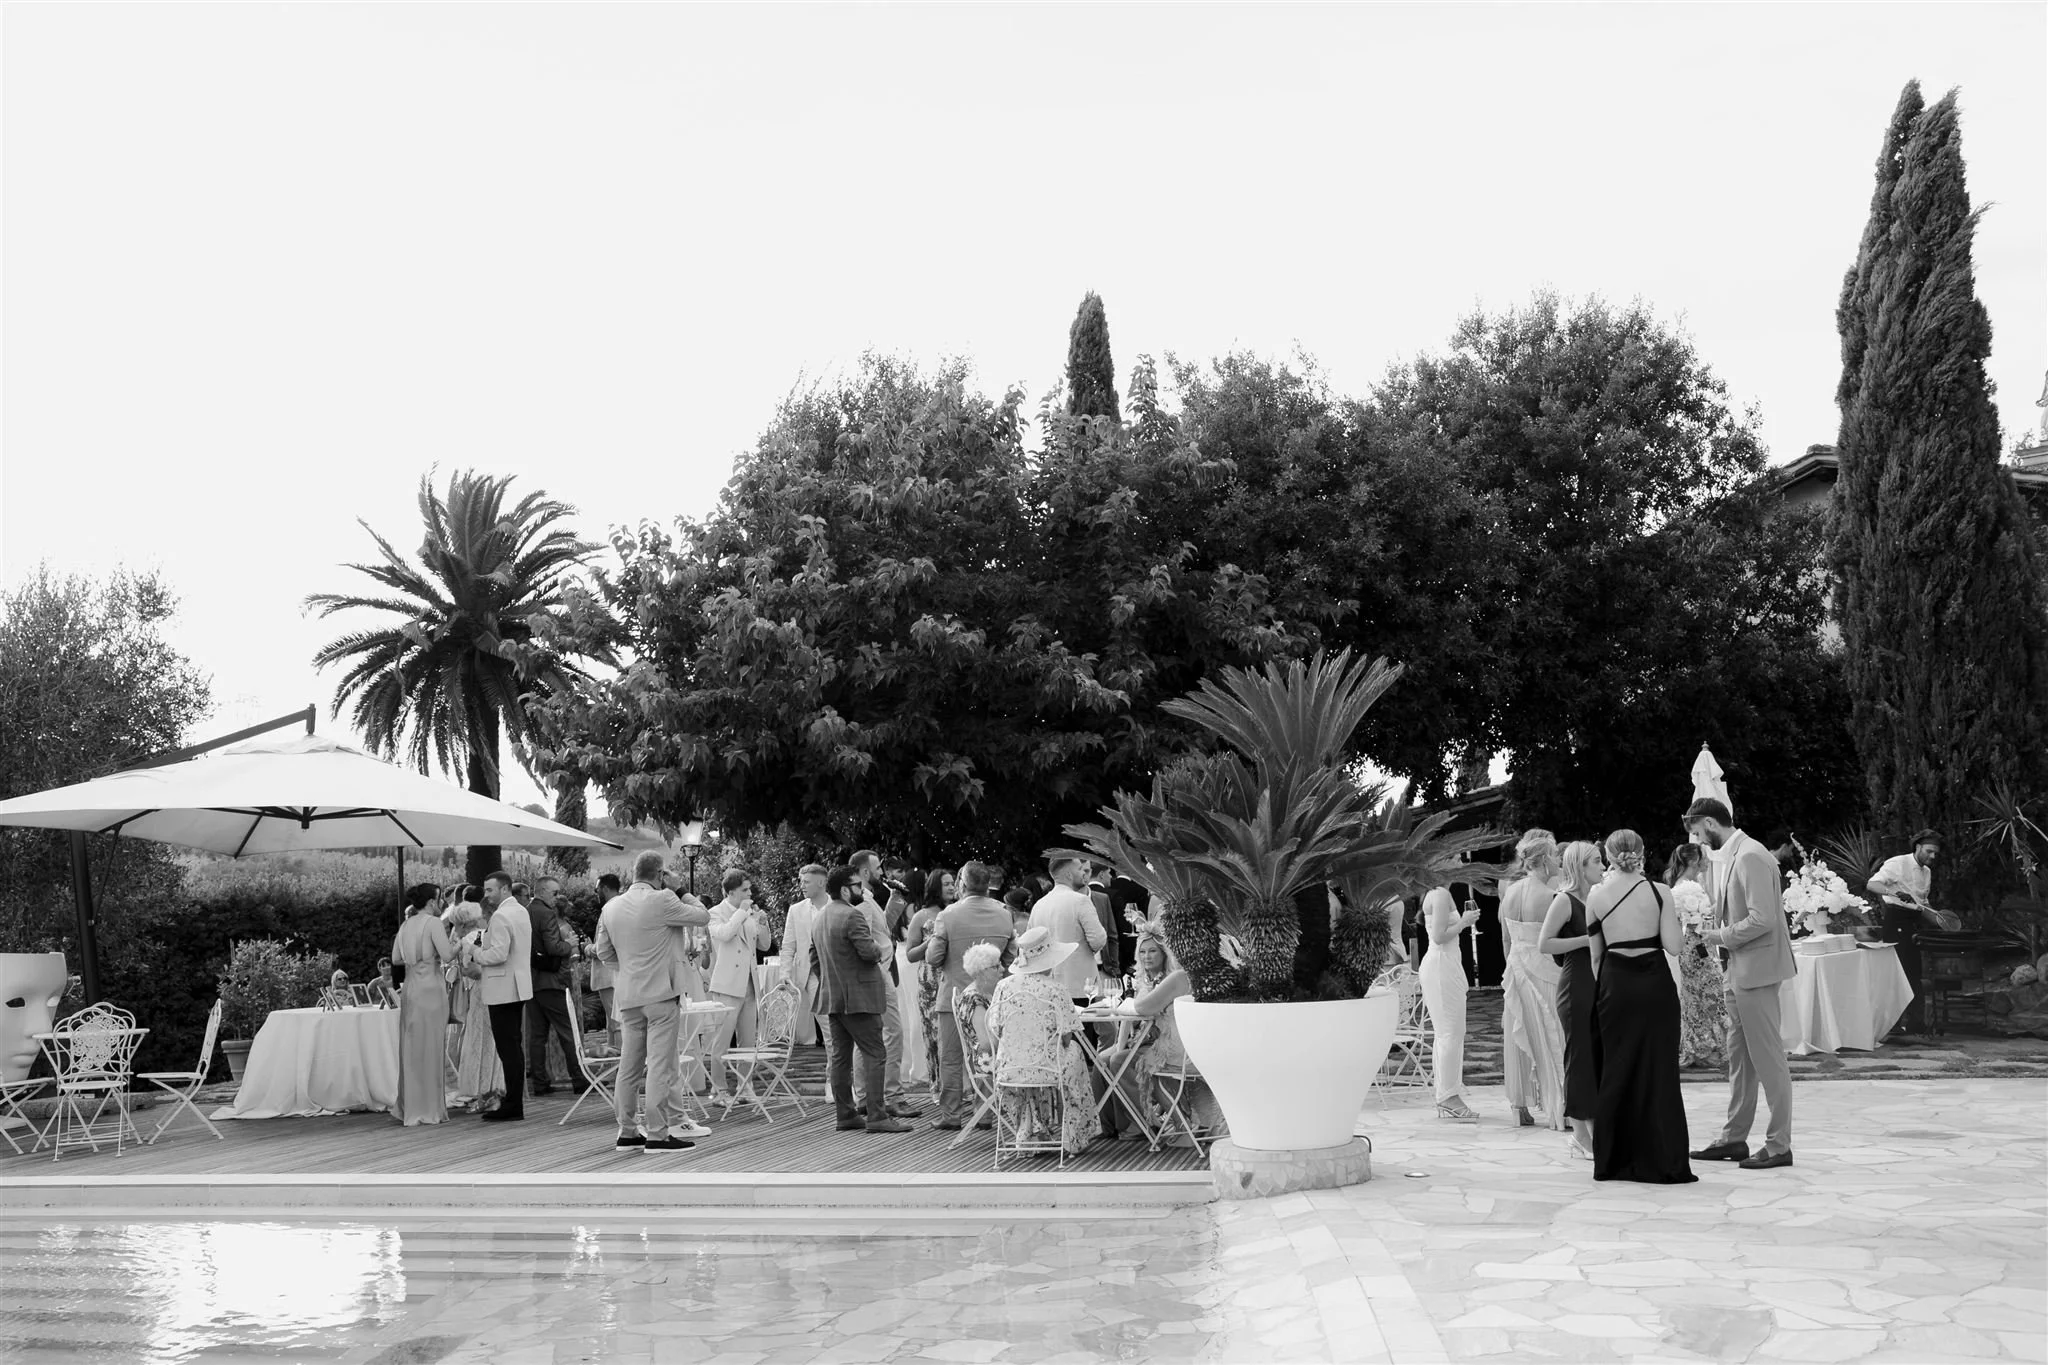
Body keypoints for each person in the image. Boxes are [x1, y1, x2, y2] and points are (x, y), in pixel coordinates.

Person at [1684, 797, 1797, 1171]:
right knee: (1741, 1061)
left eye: (1698, 832)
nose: (1697, 840)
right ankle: (1734, 1138)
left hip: (1758, 971)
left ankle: (1779, 1145)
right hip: (1739, 971)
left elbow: (1763, 919)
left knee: (1768, 1060)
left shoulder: (1751, 855)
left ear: (1711, 823)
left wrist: (1717, 936)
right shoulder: (1735, 854)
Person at [1585, 830, 1697, 1184]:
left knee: (1616, 1068)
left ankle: (1613, 1162)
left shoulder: (1596, 897)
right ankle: (1663, 1160)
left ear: (1609, 854)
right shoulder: (1659, 892)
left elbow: (1595, 956)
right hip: (1654, 984)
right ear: (1643, 853)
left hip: (1615, 985)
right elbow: (1674, 947)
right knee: (1659, 1071)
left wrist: (1607, 989)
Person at [594, 851, 710, 1154]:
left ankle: (627, 1131)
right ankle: (658, 1134)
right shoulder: (664, 899)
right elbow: (702, 915)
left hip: (629, 996)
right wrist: (680, 888)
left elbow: (604, 953)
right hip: (661, 994)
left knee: (629, 1066)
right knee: (659, 1064)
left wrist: (631, 966)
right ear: (660, 875)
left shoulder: (611, 907)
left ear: (634, 873)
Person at [1093, 910, 1223, 1144]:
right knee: (1103, 1058)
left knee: (1119, 1061)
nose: (1146, 956)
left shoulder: (1174, 978)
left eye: (1152, 950)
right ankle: (1114, 1125)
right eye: (1142, 951)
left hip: (1175, 1047)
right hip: (1159, 1040)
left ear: (1166, 952)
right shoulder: (1146, 978)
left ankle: (1147, 1123)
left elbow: (1142, 1009)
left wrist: (1120, 1010)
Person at [809, 865, 912, 1134]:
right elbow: (868, 952)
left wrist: (834, 978)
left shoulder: (820, 917)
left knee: (840, 1059)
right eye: (857, 886)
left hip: (833, 997)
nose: (862, 890)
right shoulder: (852, 915)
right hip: (859, 997)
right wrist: (881, 948)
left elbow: (813, 958)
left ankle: (845, 1114)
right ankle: (877, 1116)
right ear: (845, 889)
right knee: (876, 1053)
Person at [987, 927, 1098, 1157]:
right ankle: (1075, 1133)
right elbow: (1067, 1037)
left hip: (1010, 1070)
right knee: (1074, 1050)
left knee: (1038, 1058)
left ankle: (1033, 1130)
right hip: (1048, 1070)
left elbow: (995, 1029)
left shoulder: (1002, 987)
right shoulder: (1056, 989)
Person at [924, 861, 1018, 1130]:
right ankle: (985, 1112)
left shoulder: (949, 915)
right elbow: (1011, 958)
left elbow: (933, 957)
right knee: (987, 1050)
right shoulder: (1004, 914)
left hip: (954, 996)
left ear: (962, 884)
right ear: (987, 886)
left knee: (952, 1057)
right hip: (993, 997)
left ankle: (951, 1115)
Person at [1539, 841, 1606, 1159]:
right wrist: (1587, 940)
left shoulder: (1597, 897)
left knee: (1597, 1058)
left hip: (1600, 986)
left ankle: (1594, 1129)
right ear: (1581, 866)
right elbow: (1545, 943)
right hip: (1576, 986)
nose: (1603, 867)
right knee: (1579, 1060)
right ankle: (1579, 1136)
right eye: (1597, 862)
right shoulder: (1564, 900)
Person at [1497, 830, 1567, 1130]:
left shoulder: (1510, 893)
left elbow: (1505, 938)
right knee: (1553, 1034)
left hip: (1515, 969)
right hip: (1545, 970)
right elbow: (1555, 940)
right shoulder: (1552, 896)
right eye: (1554, 855)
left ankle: (1519, 1106)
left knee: (1520, 1031)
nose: (1558, 861)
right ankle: (1558, 1107)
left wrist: (1512, 965)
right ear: (1545, 859)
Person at [847, 851, 917, 1118]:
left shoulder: (866, 898)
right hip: (877, 972)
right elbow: (862, 939)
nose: (883, 875)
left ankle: (864, 1096)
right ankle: (893, 1096)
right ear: (865, 872)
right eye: (878, 869)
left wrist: (894, 904)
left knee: (865, 1036)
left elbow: (881, 931)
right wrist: (877, 962)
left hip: (877, 970)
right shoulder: (863, 902)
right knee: (893, 1033)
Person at [467, 872, 534, 1122]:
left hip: (503, 987)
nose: (486, 895)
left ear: (505, 889)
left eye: (490, 890)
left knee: (508, 1048)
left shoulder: (501, 916)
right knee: (513, 1046)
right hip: (517, 986)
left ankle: (513, 1105)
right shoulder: (521, 911)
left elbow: (498, 954)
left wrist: (475, 952)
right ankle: (513, 1100)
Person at [705, 868, 773, 1104]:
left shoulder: (749, 913)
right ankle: (719, 1090)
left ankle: (746, 1087)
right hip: (726, 984)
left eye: (749, 889)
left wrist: (763, 923)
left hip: (750, 984)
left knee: (748, 1041)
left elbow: (764, 946)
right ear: (730, 892)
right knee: (721, 1041)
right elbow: (723, 935)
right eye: (744, 890)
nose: (749, 893)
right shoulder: (715, 913)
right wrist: (741, 914)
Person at [391, 884, 456, 1126]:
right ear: (431, 901)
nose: (440, 905)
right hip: (431, 988)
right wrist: (462, 944)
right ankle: (430, 1108)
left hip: (411, 988)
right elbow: (448, 955)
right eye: (439, 900)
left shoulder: (406, 924)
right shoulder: (434, 923)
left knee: (411, 1047)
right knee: (432, 1046)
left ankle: (410, 1106)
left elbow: (396, 958)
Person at [1867, 829, 1942, 1035]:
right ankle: (1893, 1026)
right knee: (1900, 974)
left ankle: (1916, 1024)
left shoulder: (1926, 872)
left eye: (1935, 853)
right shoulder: (1897, 863)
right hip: (1896, 921)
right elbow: (1872, 884)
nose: (1932, 856)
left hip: (1914, 923)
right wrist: (1894, 892)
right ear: (1917, 847)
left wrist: (1940, 921)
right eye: (1929, 851)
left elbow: (1923, 905)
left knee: (1915, 974)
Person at [1417, 884, 1482, 1122]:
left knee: (1450, 1033)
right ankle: (1448, 1097)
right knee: (1450, 1033)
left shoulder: (1436, 893)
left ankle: (1446, 1092)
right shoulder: (1440, 894)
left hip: (1445, 963)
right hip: (1441, 964)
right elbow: (1439, 936)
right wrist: (1465, 921)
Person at [1664, 843, 1729, 1069]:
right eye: (1704, 857)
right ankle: (1705, 1046)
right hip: (1697, 948)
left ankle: (1701, 1045)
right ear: (1693, 861)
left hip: (1694, 947)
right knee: (1707, 994)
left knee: (1696, 996)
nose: (1708, 861)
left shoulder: (1682, 886)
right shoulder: (1689, 889)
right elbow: (1704, 919)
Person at [524, 875, 588, 1099]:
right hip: (551, 981)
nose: (557, 897)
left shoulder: (525, 911)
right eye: (554, 892)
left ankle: (540, 1082)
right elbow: (553, 947)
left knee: (537, 1036)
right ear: (542, 891)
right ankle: (579, 1079)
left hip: (530, 982)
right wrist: (568, 945)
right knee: (567, 1032)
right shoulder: (546, 913)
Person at [1029, 852, 1111, 1007]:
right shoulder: (1080, 901)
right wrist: (1083, 952)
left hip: (1048, 987)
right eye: (1079, 869)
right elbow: (1099, 939)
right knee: (1085, 1031)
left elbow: (1031, 945)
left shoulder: (1038, 905)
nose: (1083, 873)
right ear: (1068, 874)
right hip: (1081, 985)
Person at [446, 899, 503, 1113]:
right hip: (495, 990)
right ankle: (494, 1090)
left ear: (461, 924)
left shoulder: (467, 940)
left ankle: (482, 1093)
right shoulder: (485, 933)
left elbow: (473, 970)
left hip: (479, 992)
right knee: (492, 1042)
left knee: (478, 1041)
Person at [904, 868, 954, 1098]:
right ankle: (938, 1086)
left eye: (953, 883)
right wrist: (929, 943)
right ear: (935, 887)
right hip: (929, 982)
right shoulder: (921, 916)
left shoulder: (955, 912)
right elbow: (911, 954)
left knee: (953, 1035)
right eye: (946, 884)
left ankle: (957, 1086)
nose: (952, 887)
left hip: (952, 977)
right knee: (934, 1036)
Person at [781, 864, 831, 1047]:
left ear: (821, 882)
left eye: (807, 882)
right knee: (826, 1025)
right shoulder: (796, 910)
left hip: (837, 974)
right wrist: (784, 974)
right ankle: (836, 1069)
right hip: (811, 975)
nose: (802, 885)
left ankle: (840, 1068)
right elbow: (788, 945)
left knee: (838, 1025)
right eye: (801, 881)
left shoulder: (838, 906)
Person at [587, 874, 622, 1054]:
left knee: (615, 1022)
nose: (596, 894)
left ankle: (619, 1063)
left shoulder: (609, 909)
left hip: (609, 975)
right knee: (612, 1022)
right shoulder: (620, 907)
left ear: (606, 889)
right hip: (613, 974)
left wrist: (587, 948)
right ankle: (613, 1062)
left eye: (597, 890)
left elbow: (603, 947)